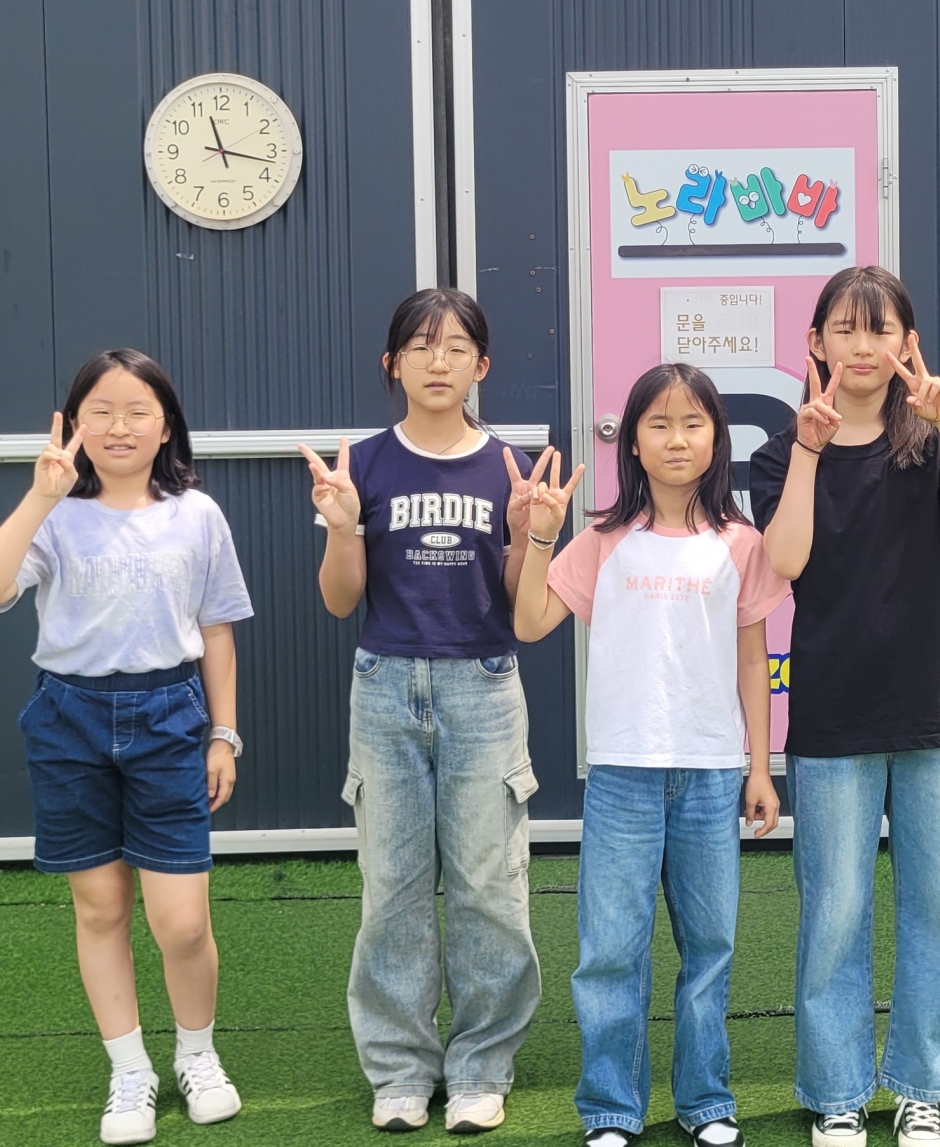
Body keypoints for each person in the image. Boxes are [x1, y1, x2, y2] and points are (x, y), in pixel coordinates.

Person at [0, 348, 252, 1146]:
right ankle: (129, 1069)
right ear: (75, 423)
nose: (119, 426)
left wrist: (223, 734)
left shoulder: (198, 514)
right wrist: (39, 494)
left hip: (171, 720)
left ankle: (197, 1053)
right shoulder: (55, 513)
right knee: (100, 906)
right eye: (101, 411)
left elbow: (217, 632)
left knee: (181, 920)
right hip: (69, 719)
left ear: (166, 426)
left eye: (137, 411)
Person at [749, 266, 940, 1147]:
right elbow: (785, 561)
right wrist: (810, 449)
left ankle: (924, 1087)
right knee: (834, 912)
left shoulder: (932, 439)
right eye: (845, 329)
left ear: (908, 343)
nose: (863, 346)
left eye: (881, 328)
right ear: (815, 343)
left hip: (933, 709)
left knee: (935, 905)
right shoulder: (781, 453)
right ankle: (837, 1093)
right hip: (834, 716)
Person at [513, 363, 787, 1147]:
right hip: (622, 775)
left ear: (717, 438)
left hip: (712, 773)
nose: (676, 439)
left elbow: (753, 659)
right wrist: (541, 534)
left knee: (711, 947)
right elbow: (529, 622)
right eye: (658, 423)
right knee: (610, 952)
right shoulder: (604, 540)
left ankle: (706, 1099)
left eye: (693, 423)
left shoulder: (742, 542)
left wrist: (759, 767)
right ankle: (611, 1107)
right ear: (632, 440)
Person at [300, 288, 548, 1134]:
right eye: (420, 345)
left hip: (484, 684)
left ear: (482, 365)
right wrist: (343, 526)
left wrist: (532, 534)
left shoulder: (509, 467)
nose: (438, 361)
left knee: (488, 884)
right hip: (385, 685)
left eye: (456, 347)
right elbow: (341, 601)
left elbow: (518, 604)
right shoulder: (366, 465)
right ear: (392, 363)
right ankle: (402, 1068)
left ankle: (481, 1064)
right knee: (393, 887)